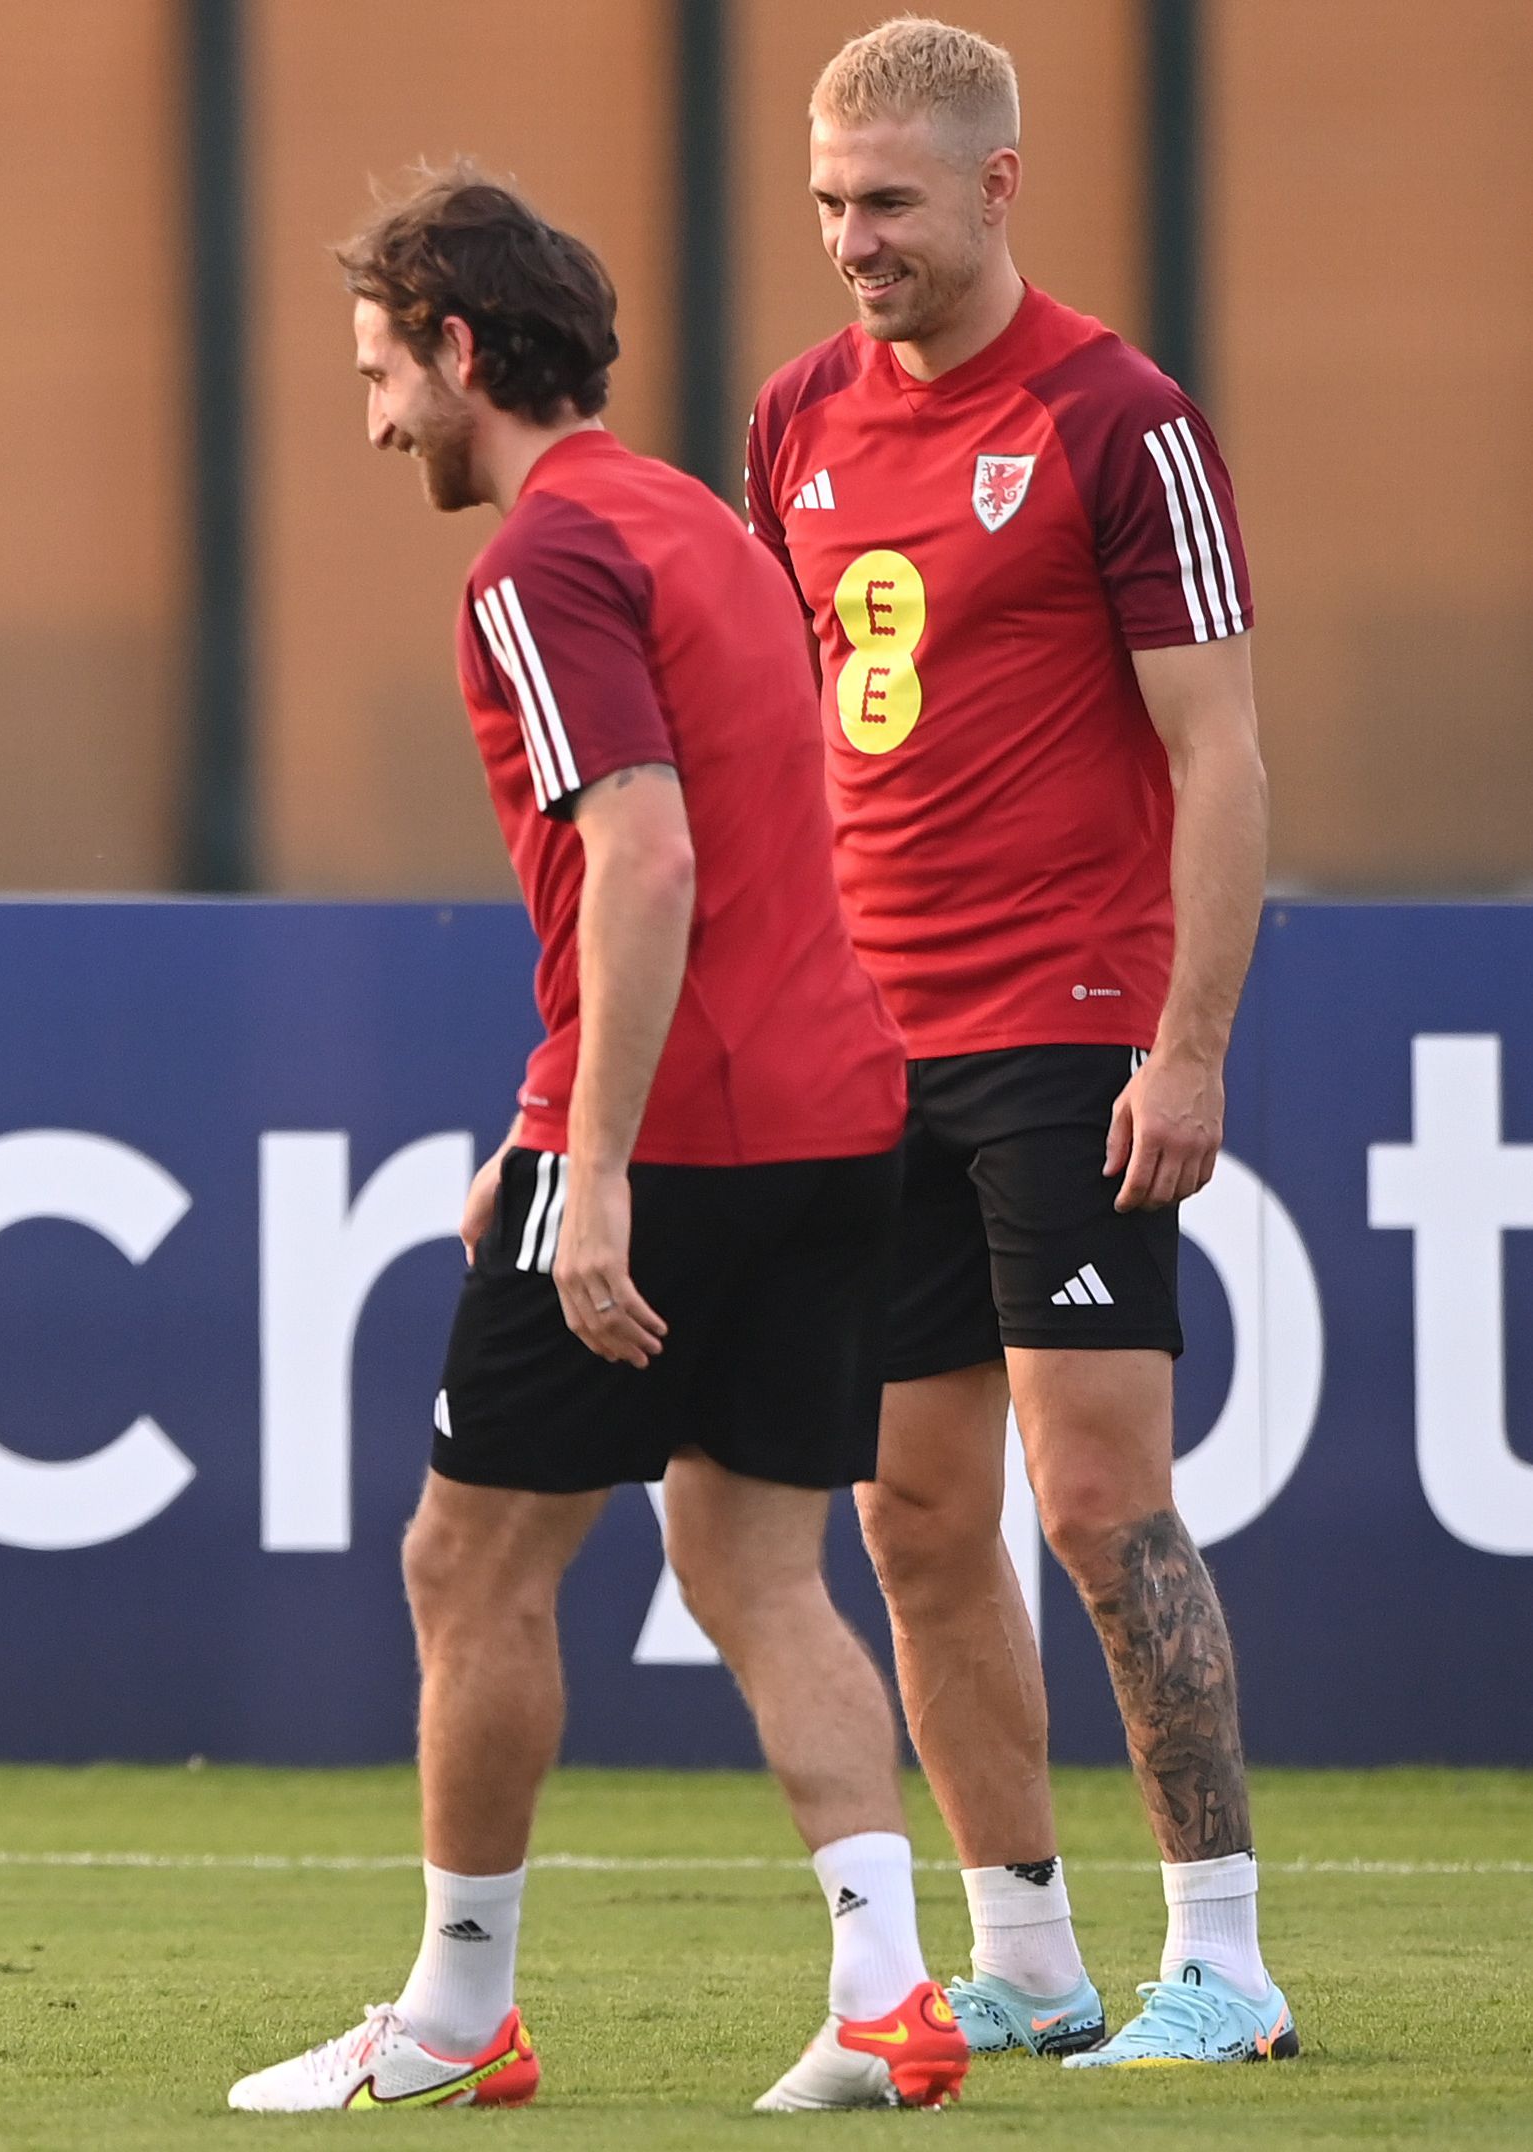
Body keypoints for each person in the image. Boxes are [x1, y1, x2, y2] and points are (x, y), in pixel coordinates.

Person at [226, 169, 962, 2115]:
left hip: (684, 1134)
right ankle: (887, 1992)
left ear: (462, 352)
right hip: (831, 1118)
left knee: (462, 1567)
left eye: (382, 372)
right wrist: (538, 1125)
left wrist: (596, 1159)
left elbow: (642, 848)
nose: (373, 420)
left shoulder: (537, 561)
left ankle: (459, 2016)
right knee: (754, 1564)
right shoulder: (704, 525)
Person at [745, 18, 1289, 2068]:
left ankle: (1219, 1959)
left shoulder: (1112, 417)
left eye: (882, 201)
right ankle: (1023, 1953)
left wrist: (1189, 1038)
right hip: (866, 1043)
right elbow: (801, 737)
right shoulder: (789, 417)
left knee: (1091, 1496)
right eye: (822, 201)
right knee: (902, 1511)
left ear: (992, 185)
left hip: (1066, 1022)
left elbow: (1215, 746)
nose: (846, 239)